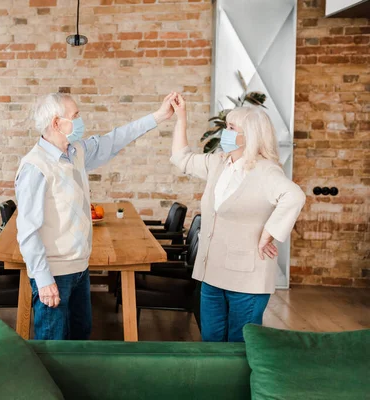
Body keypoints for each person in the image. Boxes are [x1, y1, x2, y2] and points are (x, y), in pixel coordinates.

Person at [15, 92, 176, 340]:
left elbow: (115, 139)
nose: (80, 121)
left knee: (80, 339)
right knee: (52, 346)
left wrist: (160, 116)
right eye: (75, 116)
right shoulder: (35, 166)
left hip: (80, 269)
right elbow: (28, 231)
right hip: (54, 273)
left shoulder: (76, 151)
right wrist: (44, 279)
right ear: (57, 123)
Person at [170, 93, 306, 342]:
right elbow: (182, 159)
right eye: (226, 127)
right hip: (212, 273)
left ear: (250, 136)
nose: (225, 133)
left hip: (247, 278)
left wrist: (269, 233)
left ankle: (242, 383)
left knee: (240, 343)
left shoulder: (265, 171)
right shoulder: (219, 164)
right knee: (211, 340)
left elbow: (294, 196)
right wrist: (181, 118)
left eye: (232, 128)